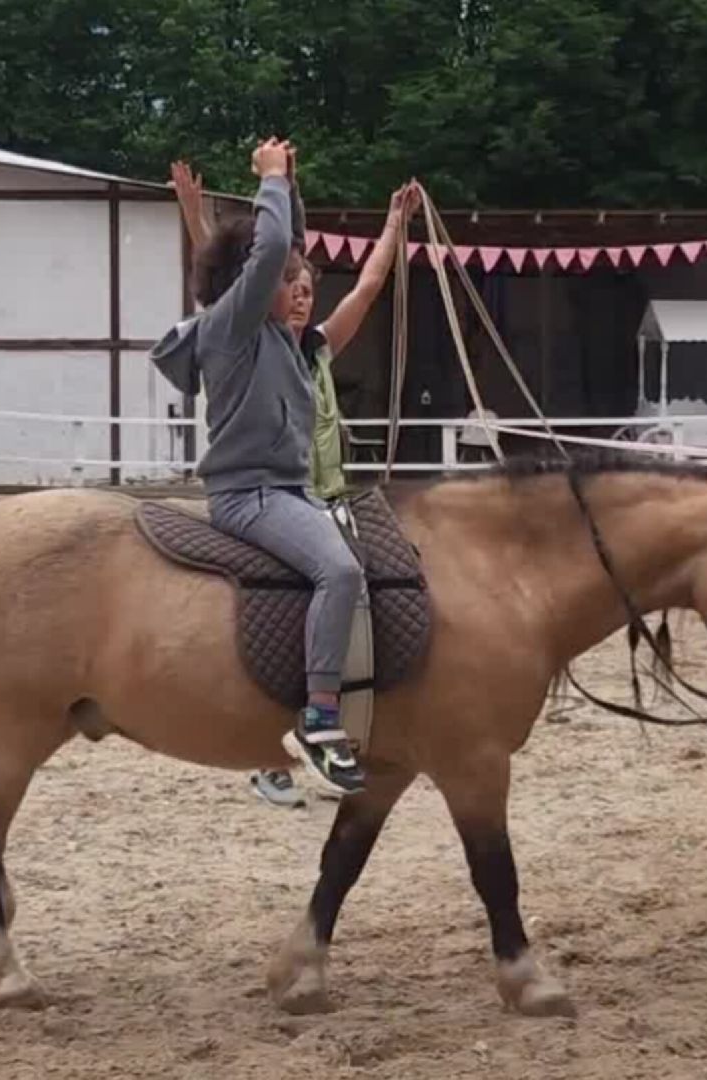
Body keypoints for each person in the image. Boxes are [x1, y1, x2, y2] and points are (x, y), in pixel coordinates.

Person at [168, 156, 422, 806]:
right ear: (250, 284)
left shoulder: (292, 344)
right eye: (289, 281)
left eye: (305, 282)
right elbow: (267, 247)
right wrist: (270, 178)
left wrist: (383, 220)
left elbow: (321, 264)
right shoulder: (234, 327)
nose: (302, 288)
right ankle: (316, 719)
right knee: (339, 573)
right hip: (253, 495)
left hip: (298, 493)